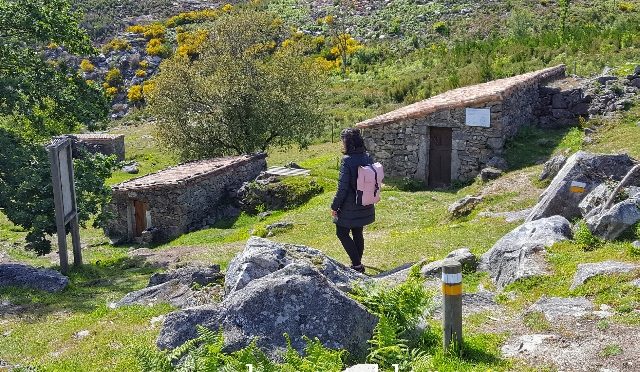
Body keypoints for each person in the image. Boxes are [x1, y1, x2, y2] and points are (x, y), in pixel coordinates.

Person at [331, 128, 375, 274]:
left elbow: (342, 188)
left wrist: (334, 206)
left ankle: (357, 265)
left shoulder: (347, 161)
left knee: (341, 233)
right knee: (357, 232)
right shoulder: (367, 157)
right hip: (364, 201)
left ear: (347, 142)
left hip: (350, 206)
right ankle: (357, 265)